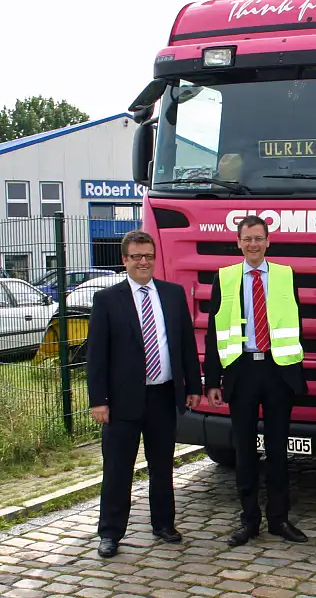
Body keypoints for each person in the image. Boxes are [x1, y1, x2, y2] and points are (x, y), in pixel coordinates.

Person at [86, 230, 202, 559]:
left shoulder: (173, 294)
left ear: (155, 258)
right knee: (118, 469)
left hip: (163, 396)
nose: (143, 262)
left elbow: (185, 346)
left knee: (162, 466)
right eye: (136, 256)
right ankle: (110, 533)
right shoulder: (108, 300)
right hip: (122, 401)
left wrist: (193, 386)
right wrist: (98, 400)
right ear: (124, 260)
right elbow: (97, 355)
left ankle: (163, 524)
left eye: (148, 255)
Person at [203, 215, 309, 547]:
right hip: (241, 371)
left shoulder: (285, 275)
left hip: (278, 372)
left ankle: (279, 519)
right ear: (238, 242)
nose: (253, 244)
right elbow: (213, 331)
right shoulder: (225, 277)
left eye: (258, 238)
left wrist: (295, 371)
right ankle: (249, 520)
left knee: (278, 450)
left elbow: (295, 323)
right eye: (247, 238)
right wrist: (213, 380)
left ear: (268, 241)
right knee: (245, 451)